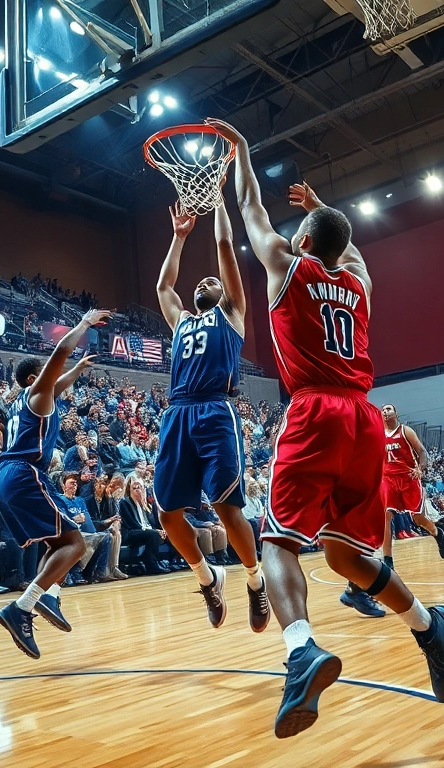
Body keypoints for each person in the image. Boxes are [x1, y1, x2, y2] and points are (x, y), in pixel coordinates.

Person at [210, 116, 444, 740]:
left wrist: (241, 150)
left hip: (316, 411)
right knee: (349, 553)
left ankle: (301, 651)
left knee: (278, 542)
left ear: (301, 241)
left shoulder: (285, 268)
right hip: (365, 419)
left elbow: (248, 205)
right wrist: (327, 213)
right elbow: (356, 253)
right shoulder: (359, 286)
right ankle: (430, 626)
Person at [153, 198, 268, 632]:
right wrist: (179, 237)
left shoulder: (232, 313)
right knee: (166, 513)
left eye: (212, 281)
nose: (205, 281)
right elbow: (165, 287)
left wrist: (217, 200)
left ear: (223, 293)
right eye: (200, 282)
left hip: (215, 411)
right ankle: (207, 577)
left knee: (224, 505)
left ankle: (255, 582)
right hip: (178, 412)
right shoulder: (181, 319)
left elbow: (224, 241)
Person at [0, 309, 106, 659]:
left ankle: (50, 598)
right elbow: (58, 357)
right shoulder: (35, 394)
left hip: (7, 476)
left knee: (56, 542)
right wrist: (83, 325)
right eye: (42, 374)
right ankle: (22, 607)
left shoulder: (31, 401)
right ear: (31, 378)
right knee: (75, 543)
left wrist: (78, 370)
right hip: (23, 473)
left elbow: (59, 381)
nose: (50, 377)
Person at [379, 404, 444, 572]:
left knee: (417, 519)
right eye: (383, 409)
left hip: (408, 478)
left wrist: (420, 468)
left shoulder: (405, 431)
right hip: (388, 479)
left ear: (395, 413)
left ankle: (437, 533)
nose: (385, 411)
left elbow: (422, 451)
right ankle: (388, 560)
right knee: (386, 516)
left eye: (388, 409)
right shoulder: (378, 434)